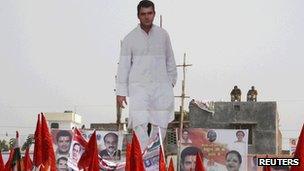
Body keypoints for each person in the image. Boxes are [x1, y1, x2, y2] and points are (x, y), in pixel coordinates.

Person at [116, 0, 177, 151]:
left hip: (161, 87)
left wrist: (171, 82)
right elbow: (123, 66)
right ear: (138, 16)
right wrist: (121, 92)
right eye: (143, 14)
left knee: (161, 122)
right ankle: (143, 159)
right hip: (139, 87)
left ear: (154, 14)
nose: (147, 17)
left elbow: (170, 59)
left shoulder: (163, 35)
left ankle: (155, 156)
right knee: (139, 123)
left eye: (150, 13)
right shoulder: (130, 38)